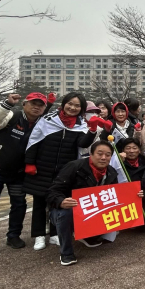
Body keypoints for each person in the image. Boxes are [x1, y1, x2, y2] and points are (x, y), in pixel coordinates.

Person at [24, 92, 96, 251]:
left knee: (59, 203)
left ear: (82, 109)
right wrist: (30, 163)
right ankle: (39, 235)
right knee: (40, 203)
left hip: (64, 171)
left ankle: (56, 233)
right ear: (64, 104)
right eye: (70, 103)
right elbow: (34, 140)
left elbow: (83, 144)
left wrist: (92, 131)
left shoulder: (81, 125)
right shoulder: (48, 120)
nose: (73, 107)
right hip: (42, 168)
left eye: (77, 106)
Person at [0, 92, 49, 255]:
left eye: (41, 104)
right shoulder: (11, 115)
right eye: (33, 103)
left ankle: (13, 235)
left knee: (19, 204)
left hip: (18, 173)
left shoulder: (43, 124)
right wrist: (6, 104)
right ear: (24, 104)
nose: (36, 107)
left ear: (44, 108)